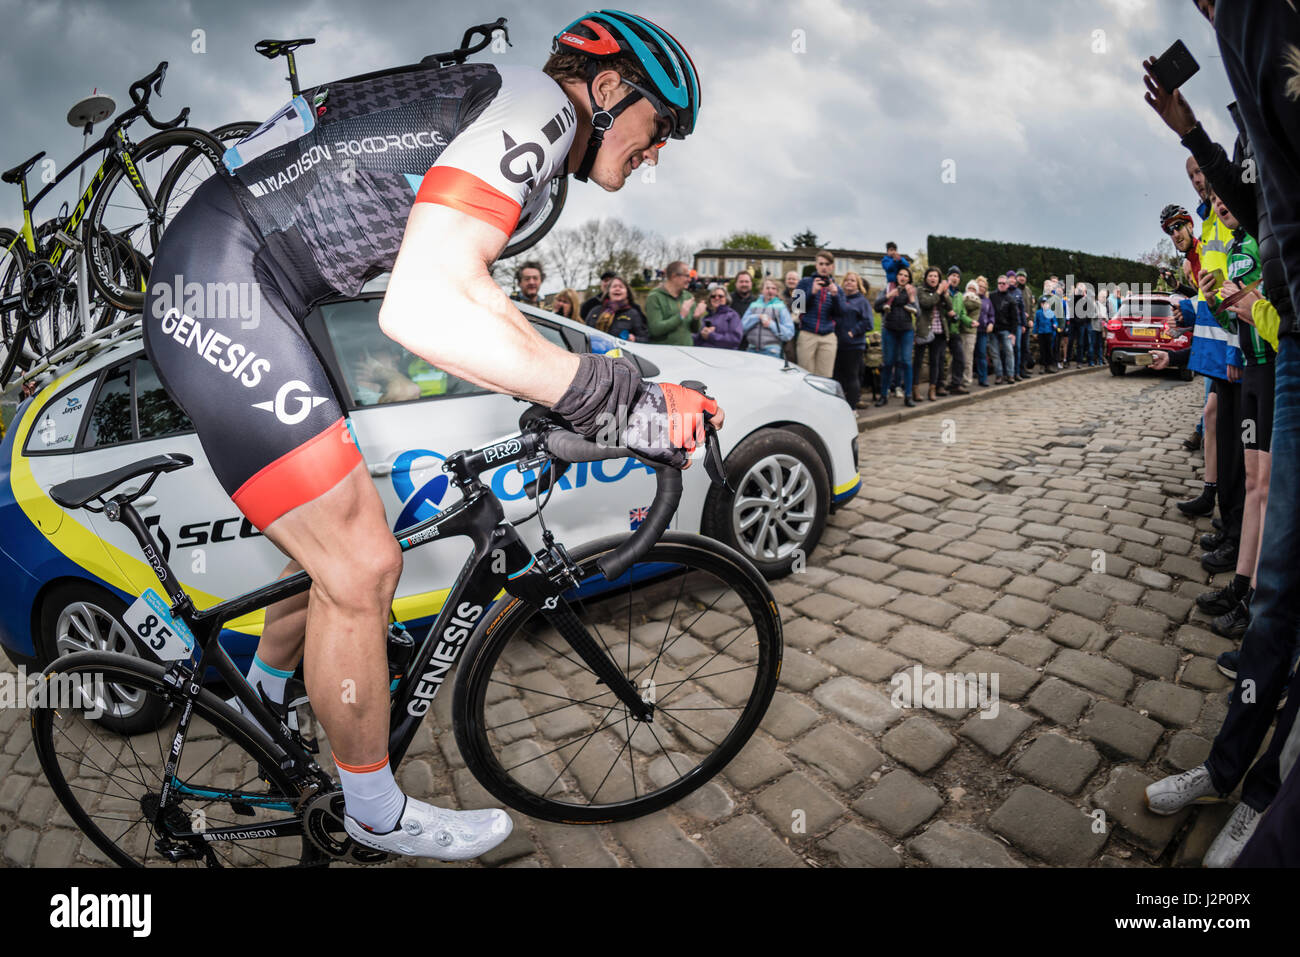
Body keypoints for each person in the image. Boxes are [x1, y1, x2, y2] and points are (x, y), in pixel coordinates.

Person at [140, 8, 715, 862]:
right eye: (659, 125)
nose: (658, 148)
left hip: (256, 282)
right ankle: (371, 811)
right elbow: (425, 305)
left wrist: (592, 390)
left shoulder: (517, 131)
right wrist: (612, 401)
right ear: (604, 86)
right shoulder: (537, 108)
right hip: (225, 281)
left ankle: (266, 697)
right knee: (363, 564)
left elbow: (476, 302)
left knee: (331, 540)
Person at [794, 250, 844, 377]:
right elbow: (796, 307)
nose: (824, 267)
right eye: (821, 264)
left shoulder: (837, 288)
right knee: (805, 376)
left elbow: (842, 313)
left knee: (825, 378)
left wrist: (835, 296)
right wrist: (812, 292)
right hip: (807, 334)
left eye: (827, 264)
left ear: (832, 267)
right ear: (816, 265)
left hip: (828, 336)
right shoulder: (804, 282)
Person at [875, 265, 917, 407]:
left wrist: (911, 298)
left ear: (909, 279)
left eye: (906, 275)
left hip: (906, 330)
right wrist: (889, 296)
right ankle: (883, 395)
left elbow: (919, 312)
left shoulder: (911, 291)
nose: (903, 277)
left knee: (906, 362)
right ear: (897, 276)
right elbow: (876, 306)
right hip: (889, 329)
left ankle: (908, 396)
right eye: (900, 274)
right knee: (888, 363)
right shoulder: (888, 288)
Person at [833, 272, 873, 409]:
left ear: (858, 284)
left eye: (853, 280)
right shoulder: (838, 299)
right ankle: (839, 406)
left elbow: (868, 322)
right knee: (837, 376)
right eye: (847, 280)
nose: (849, 282)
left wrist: (853, 332)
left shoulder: (862, 301)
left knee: (852, 376)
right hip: (837, 343)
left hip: (854, 345)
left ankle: (852, 407)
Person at [915, 266, 954, 402]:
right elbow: (926, 303)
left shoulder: (941, 292)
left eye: (936, 276)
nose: (933, 278)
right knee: (918, 361)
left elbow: (949, 307)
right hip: (924, 330)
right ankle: (915, 390)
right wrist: (938, 291)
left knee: (935, 362)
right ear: (926, 278)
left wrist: (945, 294)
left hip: (939, 331)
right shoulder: (921, 290)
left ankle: (932, 389)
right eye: (930, 276)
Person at [645, 260, 699, 345]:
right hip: (664, 354)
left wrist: (696, 317)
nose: (690, 279)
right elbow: (655, 330)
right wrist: (681, 316)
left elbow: (695, 330)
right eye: (687, 276)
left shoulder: (688, 297)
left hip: (688, 353)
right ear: (674, 276)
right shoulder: (655, 297)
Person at [741, 276, 795, 358]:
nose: (770, 290)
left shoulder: (781, 307)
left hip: (772, 351)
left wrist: (771, 324)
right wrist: (757, 317)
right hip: (751, 350)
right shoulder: (753, 305)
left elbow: (788, 334)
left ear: (777, 291)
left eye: (773, 288)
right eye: (767, 288)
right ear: (762, 290)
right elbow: (741, 327)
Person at [586, 275, 649, 341]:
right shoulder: (595, 311)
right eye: (614, 286)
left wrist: (635, 339)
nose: (617, 289)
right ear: (608, 292)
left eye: (621, 287)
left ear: (627, 292)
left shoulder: (633, 314)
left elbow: (644, 338)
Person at [944, 266, 971, 394]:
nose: (955, 278)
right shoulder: (943, 291)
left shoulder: (960, 295)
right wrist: (948, 313)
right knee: (939, 359)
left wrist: (971, 322)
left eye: (958, 276)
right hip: (942, 330)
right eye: (953, 275)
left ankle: (956, 384)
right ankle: (938, 385)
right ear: (948, 277)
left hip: (955, 330)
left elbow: (963, 313)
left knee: (960, 358)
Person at [693, 284, 743, 349]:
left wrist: (711, 335)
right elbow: (696, 340)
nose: (716, 298)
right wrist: (701, 334)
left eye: (720, 296)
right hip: (705, 354)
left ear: (726, 299)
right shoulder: (706, 317)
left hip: (724, 356)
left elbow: (735, 340)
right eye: (713, 296)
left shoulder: (732, 315)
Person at [990, 273, 1019, 384]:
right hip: (993, 330)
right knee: (995, 353)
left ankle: (1010, 375)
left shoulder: (1011, 299)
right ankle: (999, 375)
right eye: (999, 283)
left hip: (1006, 330)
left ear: (1007, 285)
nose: (1001, 285)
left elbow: (1015, 318)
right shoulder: (991, 296)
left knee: (1009, 352)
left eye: (1003, 283)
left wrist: (1013, 333)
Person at [974, 275, 996, 386]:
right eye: (979, 286)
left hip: (983, 331)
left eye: (983, 286)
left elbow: (991, 315)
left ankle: (983, 379)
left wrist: (991, 323)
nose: (981, 288)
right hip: (970, 331)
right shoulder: (970, 296)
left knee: (982, 354)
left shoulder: (987, 301)